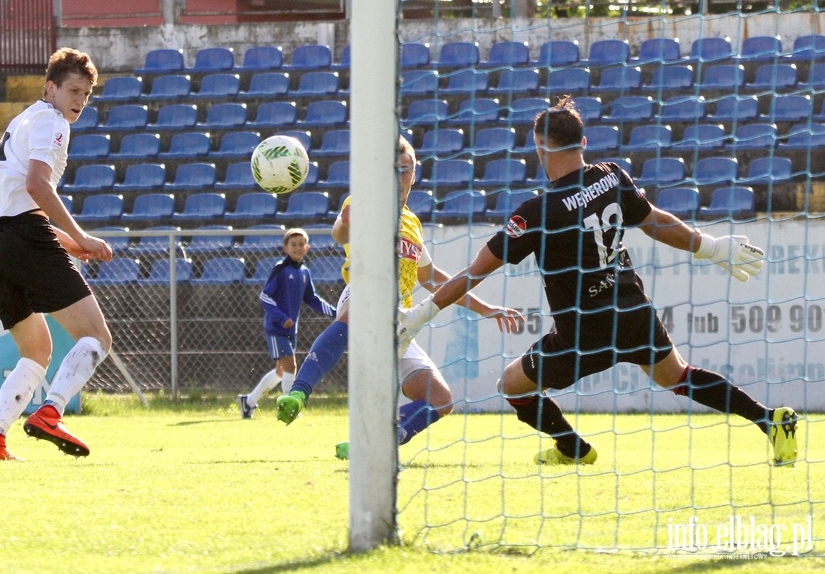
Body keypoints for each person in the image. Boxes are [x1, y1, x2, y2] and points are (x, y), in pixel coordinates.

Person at [399, 96, 798, 467]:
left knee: (513, 387)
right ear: (583, 141)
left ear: (541, 148)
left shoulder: (536, 213)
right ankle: (769, 420)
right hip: (631, 308)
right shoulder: (611, 177)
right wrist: (710, 246)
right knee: (677, 376)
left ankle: (573, 449)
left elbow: (474, 273)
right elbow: (656, 222)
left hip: (583, 330)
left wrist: (419, 315)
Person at [275, 136, 522, 459]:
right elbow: (340, 233)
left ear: (414, 174)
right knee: (353, 315)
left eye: (406, 170)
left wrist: (486, 309)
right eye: (394, 170)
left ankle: (376, 442)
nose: (400, 178)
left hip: (401, 321)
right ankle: (298, 394)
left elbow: (432, 279)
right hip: (364, 293)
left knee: (441, 400)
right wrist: (346, 224)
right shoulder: (363, 202)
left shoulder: (413, 224)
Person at [0, 48, 114, 461]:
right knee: (96, 336)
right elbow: (36, 187)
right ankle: (51, 412)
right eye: (73, 90)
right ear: (51, 88)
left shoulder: (24, 117)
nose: (80, 101)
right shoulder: (52, 122)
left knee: (37, 350)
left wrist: (71, 244)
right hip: (23, 237)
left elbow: (17, 204)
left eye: (86, 94)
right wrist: (82, 236)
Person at [238, 228, 337, 419]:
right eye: (293, 245)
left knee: (281, 371)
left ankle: (248, 402)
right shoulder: (281, 269)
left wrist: (336, 312)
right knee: (291, 365)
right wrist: (281, 318)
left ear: (307, 247)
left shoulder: (305, 272)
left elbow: (313, 299)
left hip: (292, 329)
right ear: (285, 247)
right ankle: (288, 405)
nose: (297, 248)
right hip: (277, 328)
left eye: (301, 245)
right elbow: (265, 296)